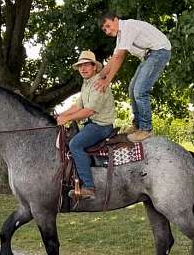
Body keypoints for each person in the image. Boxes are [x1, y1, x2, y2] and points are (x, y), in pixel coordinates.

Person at [95, 12, 171, 142]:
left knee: (140, 91)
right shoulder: (120, 36)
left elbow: (120, 57)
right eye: (104, 30)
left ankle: (146, 129)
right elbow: (113, 59)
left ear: (116, 20)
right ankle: (138, 125)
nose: (107, 31)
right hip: (149, 56)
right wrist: (98, 76)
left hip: (159, 52)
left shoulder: (127, 27)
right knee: (132, 89)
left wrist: (107, 80)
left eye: (108, 26)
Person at [56, 50, 115, 200]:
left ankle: (88, 187)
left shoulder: (98, 84)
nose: (82, 68)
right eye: (80, 66)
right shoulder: (86, 84)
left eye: (86, 65)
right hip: (91, 125)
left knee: (75, 144)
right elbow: (77, 106)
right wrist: (61, 115)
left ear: (95, 67)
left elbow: (88, 111)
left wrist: (67, 119)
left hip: (101, 126)